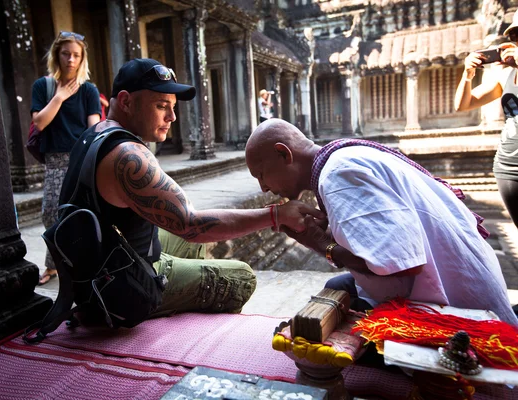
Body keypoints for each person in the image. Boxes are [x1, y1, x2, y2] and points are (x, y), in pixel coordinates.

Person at [59, 58, 313, 318]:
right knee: (241, 278)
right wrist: (276, 215)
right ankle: (163, 317)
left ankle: (175, 303)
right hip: (114, 285)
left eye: (172, 107)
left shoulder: (96, 132)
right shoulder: (127, 155)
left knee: (191, 245)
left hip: (96, 265)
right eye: (161, 106)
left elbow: (181, 219)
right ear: (125, 102)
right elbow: (191, 225)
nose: (172, 117)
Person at [245, 118, 518, 325]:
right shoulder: (341, 156)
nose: (263, 188)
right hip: (467, 282)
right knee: (337, 288)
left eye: (261, 174)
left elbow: (398, 267)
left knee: (318, 344)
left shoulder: (338, 176)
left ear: (284, 154)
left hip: (465, 314)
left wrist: (321, 244)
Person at [31, 31, 101, 285]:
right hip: (55, 160)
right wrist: (59, 97)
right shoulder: (44, 87)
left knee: (84, 214)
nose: (71, 59)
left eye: (76, 55)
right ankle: (54, 264)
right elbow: (39, 123)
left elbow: (94, 126)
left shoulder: (88, 90)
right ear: (57, 55)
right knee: (50, 214)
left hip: (81, 159)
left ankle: (83, 264)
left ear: (82, 59)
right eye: (66, 54)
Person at [454, 14, 518, 232]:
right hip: (508, 166)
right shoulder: (505, 75)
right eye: (516, 36)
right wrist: (468, 74)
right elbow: (464, 104)